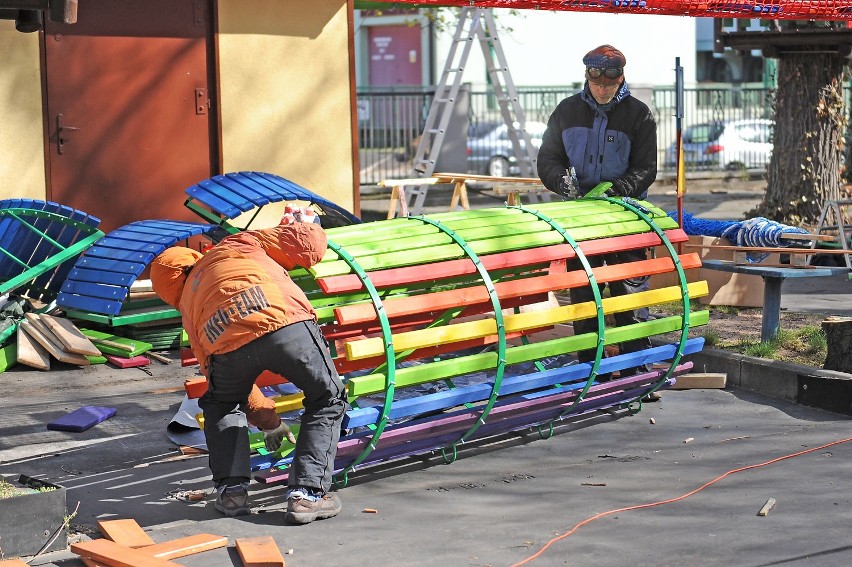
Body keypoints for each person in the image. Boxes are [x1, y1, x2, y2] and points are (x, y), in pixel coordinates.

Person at [150, 205, 348, 524]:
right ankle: (308, 495)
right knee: (327, 398)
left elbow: (230, 386)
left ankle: (232, 493)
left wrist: (270, 422)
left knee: (222, 405)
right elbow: (308, 247)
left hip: (227, 349)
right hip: (286, 323)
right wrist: (308, 222)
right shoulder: (235, 244)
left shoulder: (190, 308)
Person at [537, 44, 658, 389]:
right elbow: (548, 159)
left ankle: (635, 373)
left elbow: (647, 168)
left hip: (625, 218)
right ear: (587, 77)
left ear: (621, 79)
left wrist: (619, 188)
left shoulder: (639, 115)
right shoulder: (566, 112)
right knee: (585, 294)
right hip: (581, 221)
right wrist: (560, 180)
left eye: (610, 83)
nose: (603, 89)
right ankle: (593, 373)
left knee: (630, 293)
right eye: (597, 82)